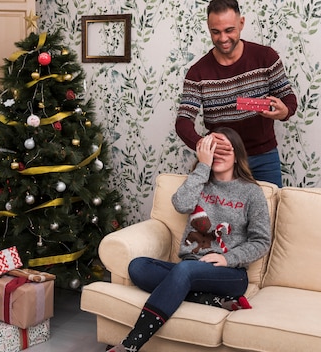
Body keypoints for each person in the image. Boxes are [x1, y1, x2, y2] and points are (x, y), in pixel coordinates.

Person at [107, 127, 271, 352]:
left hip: (230, 274)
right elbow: (181, 204)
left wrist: (228, 258)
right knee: (138, 267)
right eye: (213, 150)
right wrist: (203, 167)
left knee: (184, 271)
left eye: (224, 150)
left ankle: (131, 344)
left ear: (237, 156)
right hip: (190, 268)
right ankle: (210, 300)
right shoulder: (198, 182)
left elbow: (261, 241)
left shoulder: (252, 193)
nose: (218, 155)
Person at [175, 0, 298, 188]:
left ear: (241, 23)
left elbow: (289, 100)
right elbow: (183, 121)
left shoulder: (266, 57)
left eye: (229, 30)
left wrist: (284, 111)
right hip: (222, 159)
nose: (223, 38)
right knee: (223, 215)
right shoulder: (197, 72)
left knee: (270, 213)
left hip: (264, 157)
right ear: (208, 28)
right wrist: (202, 143)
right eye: (215, 32)